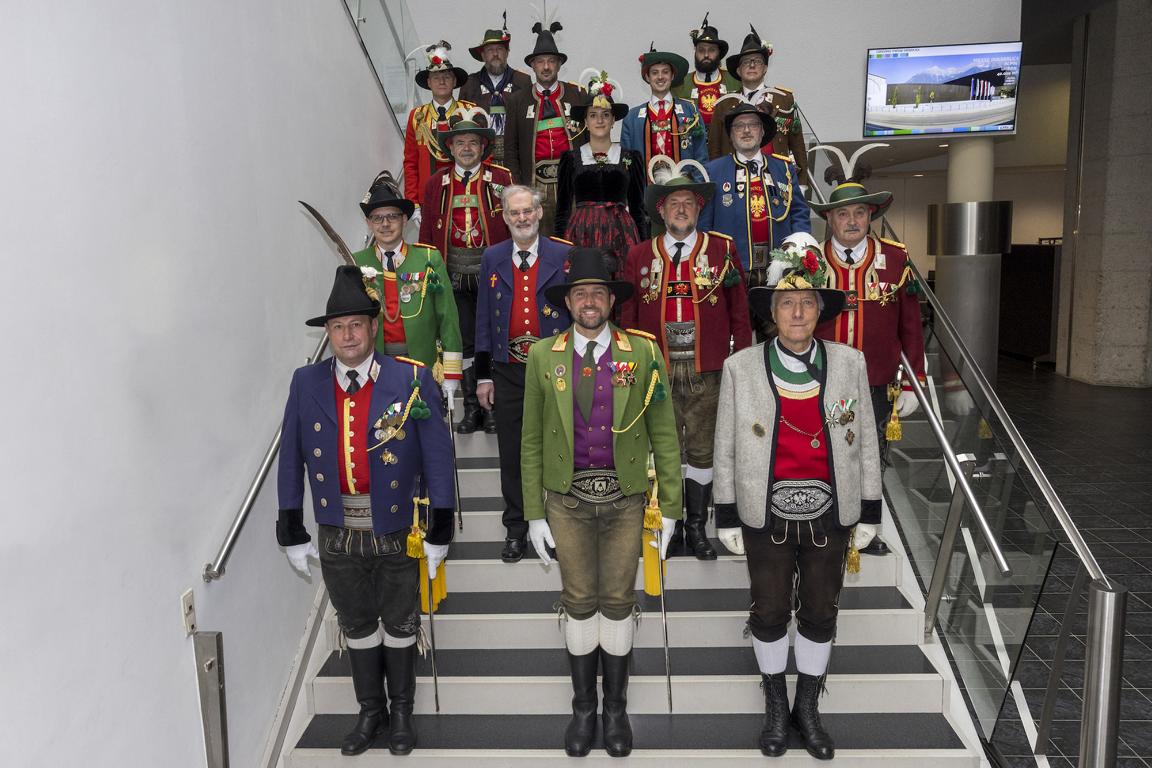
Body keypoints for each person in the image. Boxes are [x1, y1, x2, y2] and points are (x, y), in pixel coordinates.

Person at [276, 265, 455, 756]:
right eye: (338, 326)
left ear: (373, 327)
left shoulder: (411, 378)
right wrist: (291, 525)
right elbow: (290, 455)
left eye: (356, 324)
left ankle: (401, 712)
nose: (348, 335)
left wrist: (440, 526)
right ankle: (370, 711)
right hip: (336, 528)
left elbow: (438, 457)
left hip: (396, 524)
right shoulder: (305, 381)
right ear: (327, 333)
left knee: (399, 622)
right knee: (355, 622)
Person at [712, 250, 882, 760]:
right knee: (767, 611)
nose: (798, 313)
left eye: (807, 302)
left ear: (819, 310)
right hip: (765, 512)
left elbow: (868, 439)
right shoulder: (740, 366)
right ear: (773, 311)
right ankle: (775, 705)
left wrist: (870, 509)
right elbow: (724, 444)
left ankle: (807, 709)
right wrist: (725, 513)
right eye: (787, 303)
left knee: (819, 612)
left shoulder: (850, 362)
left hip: (832, 513)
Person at [521, 248, 682, 758]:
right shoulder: (544, 355)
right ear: (567, 303)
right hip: (565, 501)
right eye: (580, 294)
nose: (589, 302)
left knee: (617, 602)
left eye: (598, 293)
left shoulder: (644, 352)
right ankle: (583, 708)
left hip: (626, 500)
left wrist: (672, 506)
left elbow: (663, 431)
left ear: (612, 300)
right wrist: (531, 513)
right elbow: (528, 440)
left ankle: (615, 709)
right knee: (578, 600)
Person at [619, 164, 752, 560]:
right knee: (664, 450)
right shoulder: (639, 254)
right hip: (656, 374)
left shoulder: (722, 250)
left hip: (707, 370)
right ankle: (670, 524)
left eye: (688, 203)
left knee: (702, 451)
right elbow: (627, 317)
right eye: (673, 203)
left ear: (699, 209)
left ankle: (696, 526)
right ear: (660, 211)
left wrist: (741, 366)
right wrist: (628, 369)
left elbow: (740, 314)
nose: (681, 209)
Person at [811, 174, 927, 556]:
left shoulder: (896, 258)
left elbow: (910, 325)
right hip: (819, 381)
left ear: (871, 215)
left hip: (877, 382)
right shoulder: (810, 259)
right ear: (830, 219)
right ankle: (823, 520)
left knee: (870, 456)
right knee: (821, 453)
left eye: (859, 212)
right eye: (843, 213)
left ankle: (866, 525)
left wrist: (914, 381)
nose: (852, 221)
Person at [475, 185, 572, 562]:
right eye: (514, 213)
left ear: (539, 213)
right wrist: (483, 376)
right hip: (508, 370)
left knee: (559, 448)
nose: (522, 218)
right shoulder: (492, 257)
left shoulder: (563, 255)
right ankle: (516, 526)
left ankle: (558, 524)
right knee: (512, 451)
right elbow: (483, 317)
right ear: (504, 217)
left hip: (556, 369)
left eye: (527, 211)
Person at [418, 113, 512, 434]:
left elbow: (516, 226)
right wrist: (429, 274)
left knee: (495, 338)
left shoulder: (502, 179)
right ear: (451, 147)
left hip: (493, 273)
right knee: (464, 341)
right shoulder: (435, 184)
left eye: (473, 142)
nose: (467, 148)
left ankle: (493, 408)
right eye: (461, 143)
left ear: (484, 146)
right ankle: (471, 408)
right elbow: (428, 235)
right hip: (454, 273)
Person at [699, 102, 810, 338]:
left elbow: (799, 214)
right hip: (732, 276)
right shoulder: (713, 171)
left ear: (762, 132)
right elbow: (704, 226)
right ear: (731, 134)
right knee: (733, 342)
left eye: (752, 125)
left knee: (778, 340)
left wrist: (797, 254)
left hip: (777, 276)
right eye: (739, 126)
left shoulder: (784, 168)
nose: (746, 130)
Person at [352, 173, 463, 402]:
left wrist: (451, 373)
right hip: (375, 368)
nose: (385, 224)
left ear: (405, 220)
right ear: (368, 223)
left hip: (423, 366)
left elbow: (448, 319)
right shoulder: (356, 263)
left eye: (392, 216)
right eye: (377, 218)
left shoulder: (428, 259)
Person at [554, 72, 647, 278]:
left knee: (621, 287)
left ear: (614, 120)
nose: (600, 120)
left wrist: (645, 248)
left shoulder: (630, 157)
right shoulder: (570, 159)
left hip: (621, 233)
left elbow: (639, 209)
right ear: (585, 120)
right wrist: (558, 250)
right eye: (593, 115)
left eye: (605, 115)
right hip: (582, 232)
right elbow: (562, 211)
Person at [502, 21, 589, 235]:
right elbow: (510, 150)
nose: (546, 67)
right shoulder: (517, 101)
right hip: (534, 185)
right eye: (541, 61)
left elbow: (589, 141)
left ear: (559, 64)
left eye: (551, 61)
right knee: (540, 243)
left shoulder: (577, 95)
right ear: (533, 65)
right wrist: (518, 189)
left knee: (574, 239)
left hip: (572, 185)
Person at [707, 25, 808, 184]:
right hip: (735, 180)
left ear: (765, 68)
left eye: (758, 61)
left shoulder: (784, 99)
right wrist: (717, 183)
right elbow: (714, 149)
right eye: (746, 62)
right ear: (739, 71)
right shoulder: (724, 104)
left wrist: (801, 184)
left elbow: (797, 144)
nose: (752, 65)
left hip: (777, 179)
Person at [402, 41, 476, 209]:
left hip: (464, 195)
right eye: (436, 77)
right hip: (428, 199)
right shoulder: (417, 117)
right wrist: (413, 204)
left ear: (454, 81)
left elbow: (483, 156)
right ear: (428, 82)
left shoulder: (469, 113)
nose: (441, 81)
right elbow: (411, 163)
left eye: (446, 76)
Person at [459, 19, 533, 165]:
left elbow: (529, 123)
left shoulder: (523, 81)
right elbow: (463, 127)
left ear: (507, 52)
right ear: (482, 55)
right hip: (480, 158)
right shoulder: (469, 84)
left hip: (516, 156)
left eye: (499, 49)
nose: (495, 54)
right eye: (490, 50)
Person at [620, 46, 708, 165]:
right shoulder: (632, 118)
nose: (660, 77)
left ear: (672, 76)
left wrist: (695, 183)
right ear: (647, 77)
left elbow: (701, 156)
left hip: (685, 183)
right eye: (655, 72)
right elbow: (627, 163)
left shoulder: (690, 110)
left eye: (665, 72)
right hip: (646, 183)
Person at [671, 13, 740, 132]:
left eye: (712, 50)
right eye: (701, 50)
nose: (706, 55)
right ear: (695, 52)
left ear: (719, 53)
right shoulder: (680, 84)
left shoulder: (736, 81)